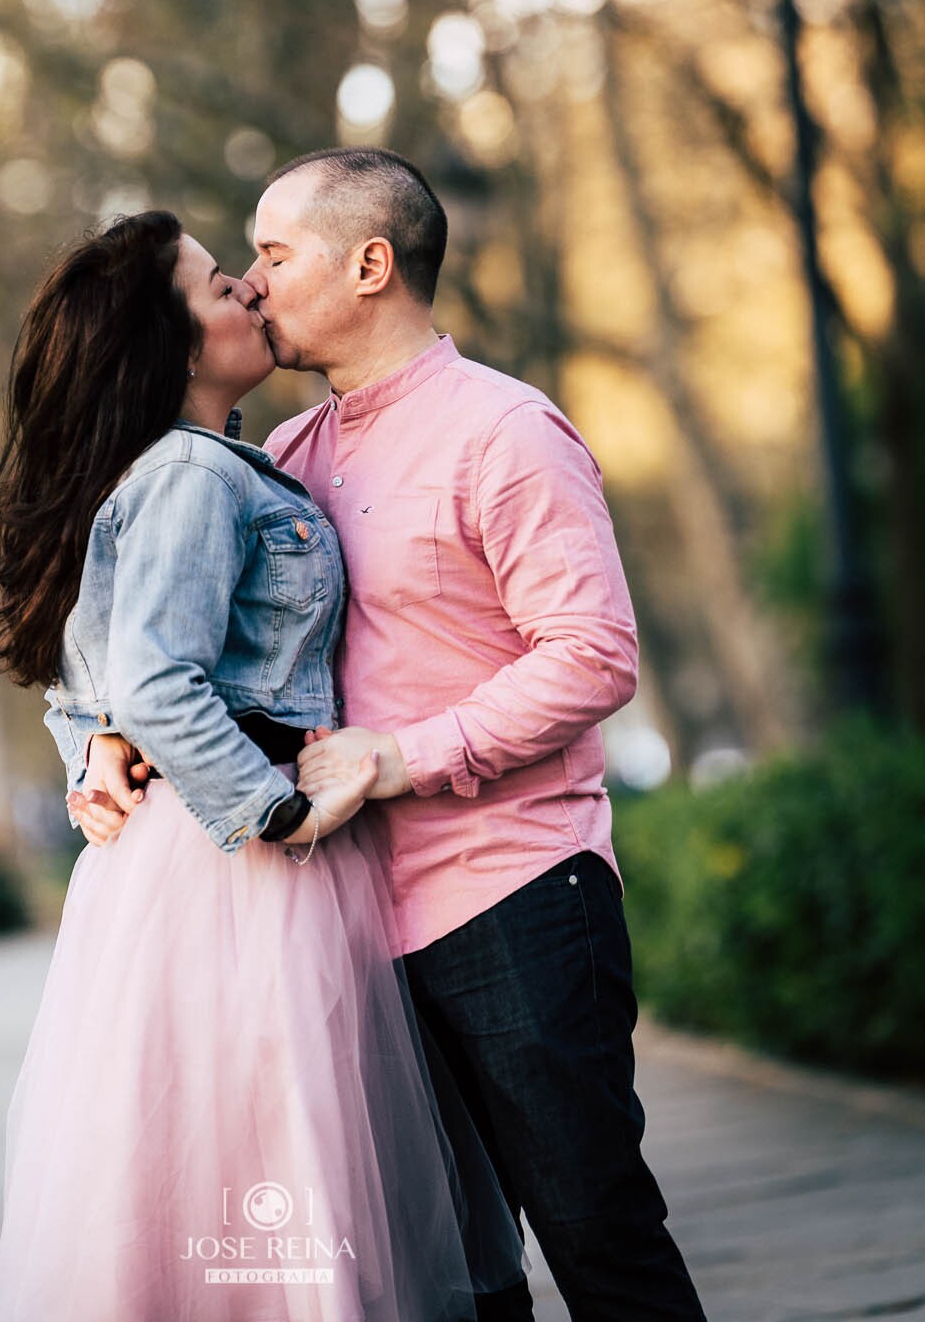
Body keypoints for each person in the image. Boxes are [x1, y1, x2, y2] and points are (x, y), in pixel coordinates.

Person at [82, 150, 708, 1322]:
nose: (254, 285)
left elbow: (592, 652)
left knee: (596, 1232)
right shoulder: (286, 459)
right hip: (346, 930)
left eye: (273, 254)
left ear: (371, 263)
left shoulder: (506, 432)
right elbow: (170, 638)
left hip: (510, 895)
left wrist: (401, 755)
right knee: (449, 1276)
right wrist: (107, 735)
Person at [0, 209, 525, 1322]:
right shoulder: (190, 475)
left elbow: (91, 667)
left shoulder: (209, 465)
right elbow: (158, 678)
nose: (252, 295)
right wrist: (273, 813)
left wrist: (94, 746)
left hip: (192, 861)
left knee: (222, 1156)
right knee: (282, 1145)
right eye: (226, 285)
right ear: (172, 345)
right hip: (239, 866)